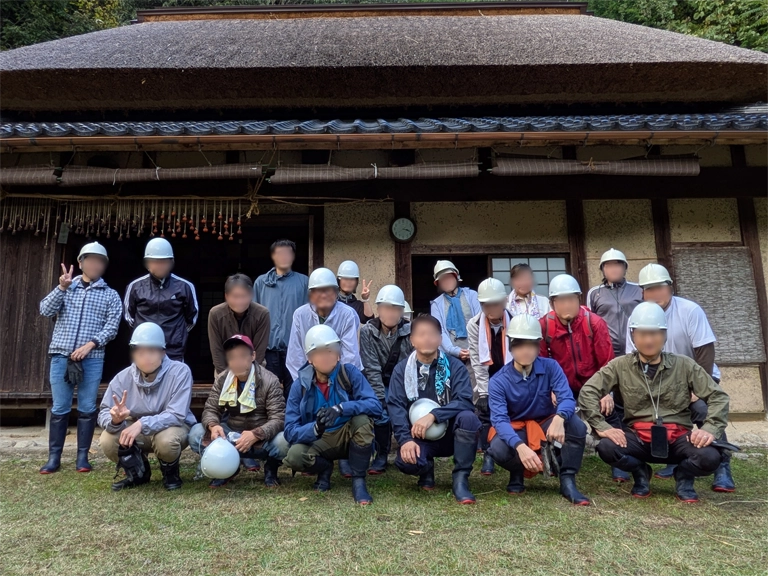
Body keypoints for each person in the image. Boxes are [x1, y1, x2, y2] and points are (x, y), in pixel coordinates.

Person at [582, 302, 730, 503]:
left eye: (655, 333)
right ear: (633, 335)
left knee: (711, 457)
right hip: (639, 438)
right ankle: (640, 471)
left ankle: (684, 476)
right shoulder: (620, 366)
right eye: (642, 334)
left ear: (664, 335)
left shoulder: (684, 364)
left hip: (678, 438)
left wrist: (709, 429)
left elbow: (718, 396)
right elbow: (588, 391)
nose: (649, 340)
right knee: (607, 447)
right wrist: (602, 427)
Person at [626, 263, 735, 491]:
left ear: (670, 287)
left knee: (704, 410)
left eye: (660, 287)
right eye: (649, 289)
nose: (656, 294)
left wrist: (695, 391)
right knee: (658, 414)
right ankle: (673, 459)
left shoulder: (690, 310)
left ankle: (723, 466)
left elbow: (705, 352)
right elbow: (631, 359)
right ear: (642, 293)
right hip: (660, 382)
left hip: (697, 379)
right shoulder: (637, 317)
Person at [487, 314, 591, 506]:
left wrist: (560, 417)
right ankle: (517, 472)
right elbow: (500, 420)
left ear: (538, 346)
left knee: (576, 426)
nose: (526, 351)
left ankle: (567, 479)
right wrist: (521, 447)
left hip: (545, 423)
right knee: (498, 449)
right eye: (519, 344)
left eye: (531, 344)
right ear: (511, 346)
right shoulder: (498, 380)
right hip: (516, 427)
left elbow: (567, 398)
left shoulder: (551, 367)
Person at [39, 242, 122, 474]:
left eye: (100, 261)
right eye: (91, 259)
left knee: (87, 407)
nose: (95, 264)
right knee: (60, 407)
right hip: (61, 356)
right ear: (80, 262)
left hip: (92, 357)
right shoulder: (67, 288)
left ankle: (82, 458)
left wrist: (90, 344)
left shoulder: (110, 295)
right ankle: (54, 458)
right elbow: (45, 310)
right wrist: (61, 288)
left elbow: (112, 327)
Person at [540, 274, 626, 482]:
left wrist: (606, 392)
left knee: (610, 414)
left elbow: (607, 360)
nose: (566, 304)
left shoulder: (594, 323)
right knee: (552, 416)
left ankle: (620, 461)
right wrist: (551, 388)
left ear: (579, 299)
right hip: (562, 384)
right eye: (560, 300)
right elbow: (541, 361)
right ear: (552, 303)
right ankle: (557, 459)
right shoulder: (544, 326)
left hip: (593, 382)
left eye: (571, 299)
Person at [388, 314, 482, 504]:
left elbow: (465, 400)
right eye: (421, 334)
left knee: (469, 418)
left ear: (440, 339)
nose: (427, 339)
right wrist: (405, 440)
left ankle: (460, 479)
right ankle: (426, 467)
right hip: (419, 435)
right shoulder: (402, 370)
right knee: (406, 462)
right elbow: (395, 406)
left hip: (449, 434)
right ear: (412, 340)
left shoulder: (454, 366)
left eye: (432, 334)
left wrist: (434, 415)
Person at [283, 325, 382, 505]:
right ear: (310, 359)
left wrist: (342, 408)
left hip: (347, 433)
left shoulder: (349, 373)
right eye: (319, 352)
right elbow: (289, 430)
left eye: (331, 351)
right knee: (294, 455)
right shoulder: (300, 385)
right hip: (320, 439)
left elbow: (375, 406)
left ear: (338, 355)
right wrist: (314, 428)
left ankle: (358, 480)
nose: (326, 356)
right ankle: (325, 469)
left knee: (362, 419)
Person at [98, 322, 196, 491]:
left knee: (166, 440)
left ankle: (170, 473)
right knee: (108, 439)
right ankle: (138, 472)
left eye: (152, 351)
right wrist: (115, 420)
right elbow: (104, 411)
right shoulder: (122, 377)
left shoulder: (180, 372)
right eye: (140, 351)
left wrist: (142, 423)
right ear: (133, 354)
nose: (146, 357)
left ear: (163, 352)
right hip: (136, 429)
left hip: (173, 427)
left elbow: (176, 414)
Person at [188, 334, 289, 488]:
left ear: (253, 356)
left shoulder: (270, 380)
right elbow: (210, 409)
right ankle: (228, 467)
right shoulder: (223, 379)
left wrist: (256, 434)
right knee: (196, 433)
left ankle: (271, 468)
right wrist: (213, 425)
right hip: (232, 434)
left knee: (284, 441)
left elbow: (279, 418)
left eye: (242, 356)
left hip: (262, 438)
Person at [359, 285, 414, 474]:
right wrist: (380, 397)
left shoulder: (409, 331)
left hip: (403, 382)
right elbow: (371, 366)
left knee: (406, 410)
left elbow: (412, 365)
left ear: (401, 311)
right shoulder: (368, 331)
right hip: (377, 381)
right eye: (386, 308)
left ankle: (405, 449)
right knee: (380, 411)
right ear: (379, 309)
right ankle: (381, 454)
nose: (391, 313)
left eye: (396, 309)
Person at [124, 238, 198, 362]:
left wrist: (177, 334)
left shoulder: (185, 286)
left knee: (174, 380)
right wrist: (144, 334)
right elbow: (129, 317)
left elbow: (192, 318)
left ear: (171, 262)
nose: (159, 265)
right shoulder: (135, 286)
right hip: (143, 347)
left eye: (164, 261)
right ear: (147, 263)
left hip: (173, 349)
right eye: (155, 261)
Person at [467, 278, 513, 476]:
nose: (491, 308)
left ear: (504, 301)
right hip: (489, 371)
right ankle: (488, 454)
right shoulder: (474, 324)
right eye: (486, 304)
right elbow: (476, 359)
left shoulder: (516, 320)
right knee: (486, 413)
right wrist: (484, 392)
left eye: (495, 303)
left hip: (511, 371)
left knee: (510, 412)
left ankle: (511, 450)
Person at [253, 239, 309, 401]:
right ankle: (273, 426)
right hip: (269, 349)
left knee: (296, 391)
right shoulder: (261, 283)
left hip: (296, 349)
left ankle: (292, 424)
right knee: (269, 391)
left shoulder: (304, 282)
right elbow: (254, 317)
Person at [286, 267, 362, 381]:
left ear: (336, 293)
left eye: (328, 290)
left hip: (343, 378)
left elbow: (350, 356)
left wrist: (337, 384)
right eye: (318, 291)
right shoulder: (300, 315)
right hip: (309, 376)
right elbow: (295, 357)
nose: (323, 295)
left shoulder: (348, 314)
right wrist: (306, 383)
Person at [208, 274, 270, 378]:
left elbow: (259, 351)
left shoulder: (262, 314)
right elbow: (217, 351)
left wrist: (248, 376)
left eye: (244, 296)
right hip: (224, 368)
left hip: (254, 366)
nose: (239, 301)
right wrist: (226, 377)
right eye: (235, 296)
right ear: (226, 296)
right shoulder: (215, 314)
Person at [587, 248, 643, 357]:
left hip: (635, 346)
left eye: (617, 265)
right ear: (603, 270)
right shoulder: (594, 293)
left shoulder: (639, 289)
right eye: (609, 266)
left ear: (624, 268)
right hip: (607, 349)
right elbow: (590, 324)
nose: (614, 269)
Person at [430, 260, 480, 362]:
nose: (447, 281)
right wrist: (455, 351)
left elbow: (481, 323)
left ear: (456, 277)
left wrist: (473, 349)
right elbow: (439, 331)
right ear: (438, 283)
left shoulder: (472, 295)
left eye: (449, 277)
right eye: (443, 280)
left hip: (476, 351)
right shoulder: (436, 304)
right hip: (449, 356)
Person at [337, 260, 374, 325]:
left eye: (352, 279)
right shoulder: (331, 301)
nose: (349, 282)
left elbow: (369, 320)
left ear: (356, 282)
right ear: (339, 280)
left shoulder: (357, 305)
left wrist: (365, 300)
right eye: (345, 278)